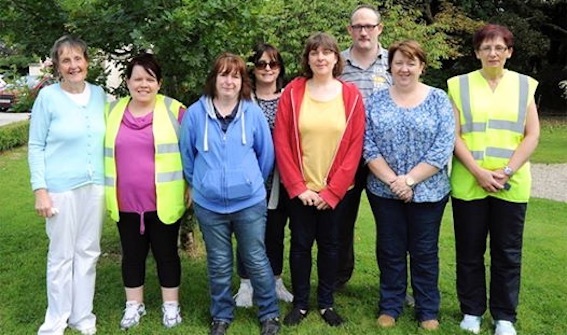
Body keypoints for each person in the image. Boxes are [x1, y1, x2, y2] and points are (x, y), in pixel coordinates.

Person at [447, 24, 540, 335]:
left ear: (509, 52)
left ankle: (504, 316)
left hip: (510, 184)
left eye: (499, 47)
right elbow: (455, 135)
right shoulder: (458, 85)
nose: (493, 52)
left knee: (507, 254)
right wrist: (478, 171)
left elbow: (533, 134)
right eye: (486, 47)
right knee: (469, 251)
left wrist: (507, 171)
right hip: (469, 181)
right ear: (476, 52)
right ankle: (471, 311)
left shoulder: (525, 85)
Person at [180, 53, 280, 335]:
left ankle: (269, 314)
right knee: (219, 262)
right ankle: (221, 315)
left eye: (235, 76)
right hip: (209, 205)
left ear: (242, 82)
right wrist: (202, 183)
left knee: (256, 258)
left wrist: (249, 183)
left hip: (249, 203)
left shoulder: (253, 113)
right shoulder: (195, 114)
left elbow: (266, 156)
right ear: (214, 79)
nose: (229, 81)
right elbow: (188, 156)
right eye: (223, 74)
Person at [273, 32, 365, 327]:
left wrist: (333, 191)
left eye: (327, 52)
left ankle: (326, 303)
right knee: (299, 245)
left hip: (336, 192)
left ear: (337, 58)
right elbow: (282, 143)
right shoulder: (292, 92)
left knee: (331, 246)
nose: (321, 58)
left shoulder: (351, 96)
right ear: (308, 58)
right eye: (315, 53)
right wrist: (298, 188)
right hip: (301, 190)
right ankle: (300, 303)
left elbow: (355, 146)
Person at [364, 40, 455, 331]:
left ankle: (427, 308)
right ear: (389, 66)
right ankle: (390, 304)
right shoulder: (375, 100)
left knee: (424, 250)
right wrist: (394, 181)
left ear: (422, 66)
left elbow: (443, 147)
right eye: (399, 62)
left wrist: (410, 180)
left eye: (411, 62)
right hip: (384, 190)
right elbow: (367, 145)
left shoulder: (439, 99)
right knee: (390, 249)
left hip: (429, 191)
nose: (404, 68)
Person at [29, 35, 106, 335]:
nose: (73, 65)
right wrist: (40, 190)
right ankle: (56, 320)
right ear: (58, 66)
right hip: (59, 188)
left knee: (89, 251)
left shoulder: (99, 94)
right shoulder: (48, 98)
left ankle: (82, 316)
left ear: (87, 61)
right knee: (61, 255)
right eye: (66, 60)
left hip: (95, 186)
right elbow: (35, 146)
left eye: (78, 59)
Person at [104, 53, 185, 330]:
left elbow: (194, 150)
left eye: (149, 79)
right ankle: (133, 306)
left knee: (167, 255)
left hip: (164, 201)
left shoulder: (176, 111)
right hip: (125, 202)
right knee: (132, 256)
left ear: (159, 83)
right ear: (127, 82)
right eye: (137, 78)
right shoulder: (111, 111)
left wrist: (193, 187)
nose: (143, 84)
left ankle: (171, 307)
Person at [337, 3, 392, 290]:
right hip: (347, 157)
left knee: (390, 227)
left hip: (385, 158)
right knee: (341, 222)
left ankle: (392, 285)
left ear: (379, 28)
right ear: (350, 30)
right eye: (357, 26)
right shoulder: (337, 64)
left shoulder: (394, 62)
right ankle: (337, 279)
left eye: (369, 26)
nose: (363, 31)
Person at [233, 43, 293, 308]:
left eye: (273, 64)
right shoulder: (243, 99)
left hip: (282, 179)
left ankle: (276, 280)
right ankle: (245, 284)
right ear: (252, 68)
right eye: (261, 64)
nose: (267, 69)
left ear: (279, 68)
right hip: (248, 179)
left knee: (275, 232)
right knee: (246, 231)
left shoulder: (290, 98)